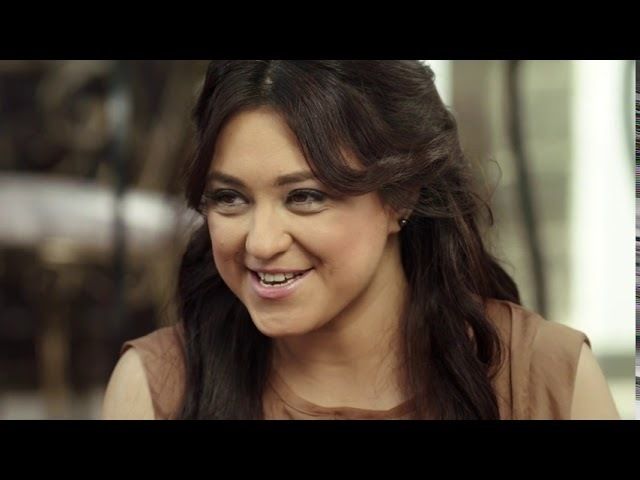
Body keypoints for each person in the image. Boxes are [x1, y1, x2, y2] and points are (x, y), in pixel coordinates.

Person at [102, 60, 619, 420]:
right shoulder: (159, 388)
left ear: (401, 196)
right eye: (230, 198)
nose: (260, 243)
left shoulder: (544, 379)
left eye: (305, 197)